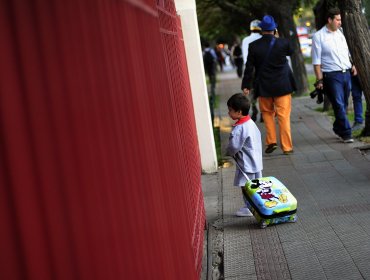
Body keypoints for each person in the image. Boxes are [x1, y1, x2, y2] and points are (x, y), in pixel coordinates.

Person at [241, 15, 296, 155]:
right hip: (282, 85)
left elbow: (249, 67)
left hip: (264, 86)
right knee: (283, 116)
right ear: (274, 29)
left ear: (261, 30)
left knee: (267, 114)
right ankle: (287, 147)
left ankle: (271, 141)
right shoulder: (283, 43)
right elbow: (291, 51)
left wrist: (246, 85)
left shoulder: (253, 46)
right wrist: (279, 36)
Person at [311, 7, 357, 143]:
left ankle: (338, 127)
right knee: (338, 104)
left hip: (346, 73)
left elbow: (347, 52)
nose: (340, 22)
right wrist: (319, 79)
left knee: (343, 103)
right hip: (331, 76)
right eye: (337, 20)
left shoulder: (341, 33)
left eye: (340, 19)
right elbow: (316, 61)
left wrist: (352, 64)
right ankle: (347, 133)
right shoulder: (318, 36)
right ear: (329, 20)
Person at [226, 93, 263, 217]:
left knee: (246, 186)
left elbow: (234, 147)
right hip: (256, 160)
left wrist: (229, 152)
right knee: (255, 185)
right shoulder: (251, 123)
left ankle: (250, 207)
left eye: (230, 110)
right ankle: (257, 205)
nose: (228, 113)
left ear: (239, 112)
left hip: (246, 163)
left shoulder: (239, 128)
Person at [242, 19, 262, 122]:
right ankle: (263, 112)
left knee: (251, 92)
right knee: (262, 91)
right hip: (261, 69)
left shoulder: (245, 40)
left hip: (250, 69)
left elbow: (245, 58)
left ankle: (254, 110)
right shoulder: (263, 38)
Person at [203, 42, 217, 125]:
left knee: (209, 74)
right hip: (212, 65)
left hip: (207, 66)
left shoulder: (204, 51)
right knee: (213, 74)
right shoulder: (211, 51)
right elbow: (214, 57)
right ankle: (213, 83)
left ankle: (211, 81)